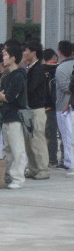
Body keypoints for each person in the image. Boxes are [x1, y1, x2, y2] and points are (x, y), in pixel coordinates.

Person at [0, 42, 27, 189]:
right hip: (6, 115)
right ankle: (6, 175)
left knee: (17, 149)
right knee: (7, 149)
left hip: (15, 116)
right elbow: (2, 95)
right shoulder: (7, 76)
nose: (3, 57)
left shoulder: (19, 76)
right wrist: (3, 96)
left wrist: (3, 96)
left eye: (5, 55)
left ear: (13, 57)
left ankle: (18, 178)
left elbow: (9, 96)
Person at [22, 40, 50, 180]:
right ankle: (33, 168)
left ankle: (43, 169)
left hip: (36, 109)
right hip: (29, 109)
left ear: (33, 52)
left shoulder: (38, 69)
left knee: (37, 141)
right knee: (29, 142)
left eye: (26, 50)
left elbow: (30, 88)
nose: (24, 53)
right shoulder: (30, 68)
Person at [55, 40, 74, 171]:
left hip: (64, 106)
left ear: (59, 52)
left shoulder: (60, 68)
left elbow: (65, 87)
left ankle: (69, 162)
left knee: (67, 136)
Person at [42, 48, 61, 167]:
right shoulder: (57, 70)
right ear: (54, 57)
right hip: (58, 106)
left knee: (49, 134)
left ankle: (52, 159)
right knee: (57, 134)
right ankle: (55, 159)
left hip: (47, 107)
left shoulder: (42, 71)